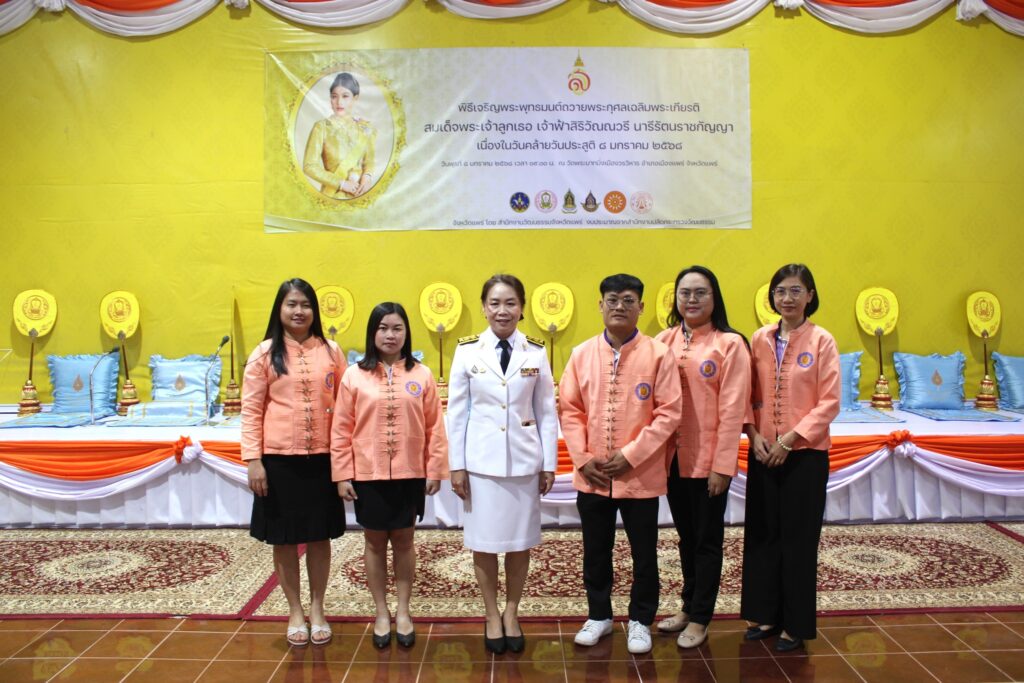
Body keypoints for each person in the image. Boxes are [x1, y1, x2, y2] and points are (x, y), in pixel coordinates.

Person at [559, 273, 683, 655]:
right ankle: (599, 615)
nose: (619, 307)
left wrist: (630, 455)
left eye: (628, 300)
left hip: (640, 474)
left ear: (641, 307)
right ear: (600, 305)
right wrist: (582, 459)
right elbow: (569, 409)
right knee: (595, 550)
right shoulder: (581, 354)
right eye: (612, 300)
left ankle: (641, 620)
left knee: (644, 553)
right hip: (593, 475)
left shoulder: (659, 354)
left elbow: (669, 413)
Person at [447, 274, 558, 655]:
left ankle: (512, 612)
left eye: (510, 303)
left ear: (522, 308)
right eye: (495, 303)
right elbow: (457, 413)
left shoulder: (535, 351)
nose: (502, 310)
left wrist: (548, 463)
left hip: (524, 462)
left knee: (519, 543)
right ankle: (491, 614)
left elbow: (546, 411)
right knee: (483, 543)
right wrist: (457, 466)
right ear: (484, 307)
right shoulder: (467, 351)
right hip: (481, 464)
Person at [331, 302, 449, 649]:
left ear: (406, 333)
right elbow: (341, 429)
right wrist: (342, 474)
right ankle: (381, 612)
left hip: (410, 473)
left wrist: (434, 469)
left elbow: (435, 427)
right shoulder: (354, 375)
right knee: (373, 542)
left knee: (405, 541)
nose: (390, 335)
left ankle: (403, 611)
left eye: (397, 328)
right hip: (368, 473)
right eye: (383, 328)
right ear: (373, 333)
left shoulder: (421, 374)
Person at [741, 264, 841, 652]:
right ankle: (765, 614)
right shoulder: (759, 338)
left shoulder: (822, 341)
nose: (787, 298)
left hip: (805, 456)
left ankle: (795, 623)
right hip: (763, 452)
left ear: (810, 296)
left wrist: (789, 441)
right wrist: (754, 436)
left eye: (796, 291)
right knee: (763, 534)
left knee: (798, 540)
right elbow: (747, 395)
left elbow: (829, 403)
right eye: (780, 291)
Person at [242, 278, 346, 648]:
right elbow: (251, 410)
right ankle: (295, 611)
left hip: (323, 460)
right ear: (280, 309)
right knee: (284, 540)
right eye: (291, 304)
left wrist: (345, 460)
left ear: (314, 310)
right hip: (279, 462)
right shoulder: (264, 354)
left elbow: (345, 407)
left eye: (305, 304)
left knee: (319, 537)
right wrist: (253, 460)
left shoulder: (331, 351)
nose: (299, 311)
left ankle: (318, 609)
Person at [654, 266, 751, 649]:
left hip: (709, 462)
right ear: (675, 299)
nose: (692, 300)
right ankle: (687, 606)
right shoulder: (662, 341)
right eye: (685, 293)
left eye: (700, 293)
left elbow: (733, 410)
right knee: (685, 538)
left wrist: (722, 466)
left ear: (715, 298)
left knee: (707, 542)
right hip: (671, 460)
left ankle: (701, 618)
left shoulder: (730, 344)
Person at [302, 72, 376, 199]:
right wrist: (341, 184)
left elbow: (369, 162)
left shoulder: (365, 128)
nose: (339, 102)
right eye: (334, 96)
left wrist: (367, 177)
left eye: (345, 96)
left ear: (355, 98)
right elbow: (309, 166)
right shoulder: (322, 127)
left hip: (360, 194)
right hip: (332, 196)